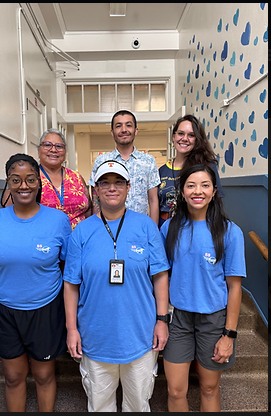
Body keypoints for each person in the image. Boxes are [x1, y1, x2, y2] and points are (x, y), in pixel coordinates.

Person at [63, 160, 170, 412]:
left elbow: (160, 276)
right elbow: (70, 284)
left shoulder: (146, 227)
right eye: (105, 183)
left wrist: (162, 320)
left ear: (129, 187)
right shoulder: (81, 232)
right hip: (95, 336)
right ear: (95, 190)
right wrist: (71, 329)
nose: (112, 188)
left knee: (138, 405)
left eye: (118, 182)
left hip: (140, 336)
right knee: (99, 406)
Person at [0, 153, 72, 412]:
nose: (24, 186)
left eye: (30, 179)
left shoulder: (58, 221)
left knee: (43, 376)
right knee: (13, 377)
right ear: (8, 182)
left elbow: (68, 272)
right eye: (16, 180)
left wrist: (70, 319)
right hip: (4, 312)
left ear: (39, 182)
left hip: (46, 310)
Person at [160, 164, 246, 412]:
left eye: (205, 185)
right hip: (178, 320)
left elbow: (235, 287)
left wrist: (229, 335)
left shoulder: (230, 232)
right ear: (182, 191)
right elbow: (162, 277)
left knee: (209, 388)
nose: (198, 191)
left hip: (214, 320)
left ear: (214, 191)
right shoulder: (169, 228)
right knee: (176, 390)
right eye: (191, 185)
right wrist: (162, 318)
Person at [1, 128, 92, 230]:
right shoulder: (28, 178)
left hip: (80, 241)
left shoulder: (76, 177)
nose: (53, 150)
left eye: (59, 146)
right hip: (43, 241)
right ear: (39, 151)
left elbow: (89, 209)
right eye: (47, 145)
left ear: (65, 152)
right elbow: (9, 215)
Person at [88, 110, 160, 225]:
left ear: (136, 130)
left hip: (140, 227)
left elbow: (153, 200)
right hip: (109, 227)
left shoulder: (148, 161)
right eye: (118, 126)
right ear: (112, 132)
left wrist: (153, 231)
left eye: (128, 125)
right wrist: (98, 228)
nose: (124, 130)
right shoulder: (101, 161)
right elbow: (96, 201)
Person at [158, 114, 224, 229]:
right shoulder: (161, 171)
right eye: (181, 133)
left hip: (194, 229)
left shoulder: (206, 167)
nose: (184, 138)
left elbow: (216, 203)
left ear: (197, 139)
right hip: (163, 228)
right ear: (173, 136)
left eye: (191, 135)